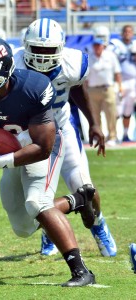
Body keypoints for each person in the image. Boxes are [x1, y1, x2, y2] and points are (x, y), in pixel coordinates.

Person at [0, 35, 96, 287]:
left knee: (37, 203)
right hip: (13, 153)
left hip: (44, 146)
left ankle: (81, 271)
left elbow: (42, 147)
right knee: (22, 228)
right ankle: (77, 200)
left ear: (4, 69)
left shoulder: (33, 87)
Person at [13, 18, 116, 257]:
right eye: (37, 49)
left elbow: (78, 89)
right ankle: (50, 230)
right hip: (32, 134)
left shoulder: (73, 63)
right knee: (38, 198)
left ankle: (98, 223)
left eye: (48, 50)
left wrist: (94, 123)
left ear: (60, 48)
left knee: (84, 187)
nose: (42, 56)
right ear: (25, 45)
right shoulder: (14, 63)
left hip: (61, 126)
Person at [86, 37, 122, 147]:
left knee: (110, 114)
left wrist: (120, 87)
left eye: (99, 45)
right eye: (95, 45)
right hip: (92, 89)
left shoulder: (110, 56)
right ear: (93, 46)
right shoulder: (89, 57)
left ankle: (112, 137)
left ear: (103, 46)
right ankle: (99, 136)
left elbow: (117, 73)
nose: (97, 47)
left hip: (107, 88)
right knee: (94, 115)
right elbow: (85, 76)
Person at [109, 25, 136, 142]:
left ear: (133, 33)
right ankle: (113, 135)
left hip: (133, 81)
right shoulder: (115, 44)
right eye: (125, 31)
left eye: (129, 31)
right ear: (121, 33)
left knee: (128, 110)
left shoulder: (134, 44)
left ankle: (125, 134)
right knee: (117, 110)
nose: (127, 33)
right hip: (120, 81)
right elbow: (110, 59)